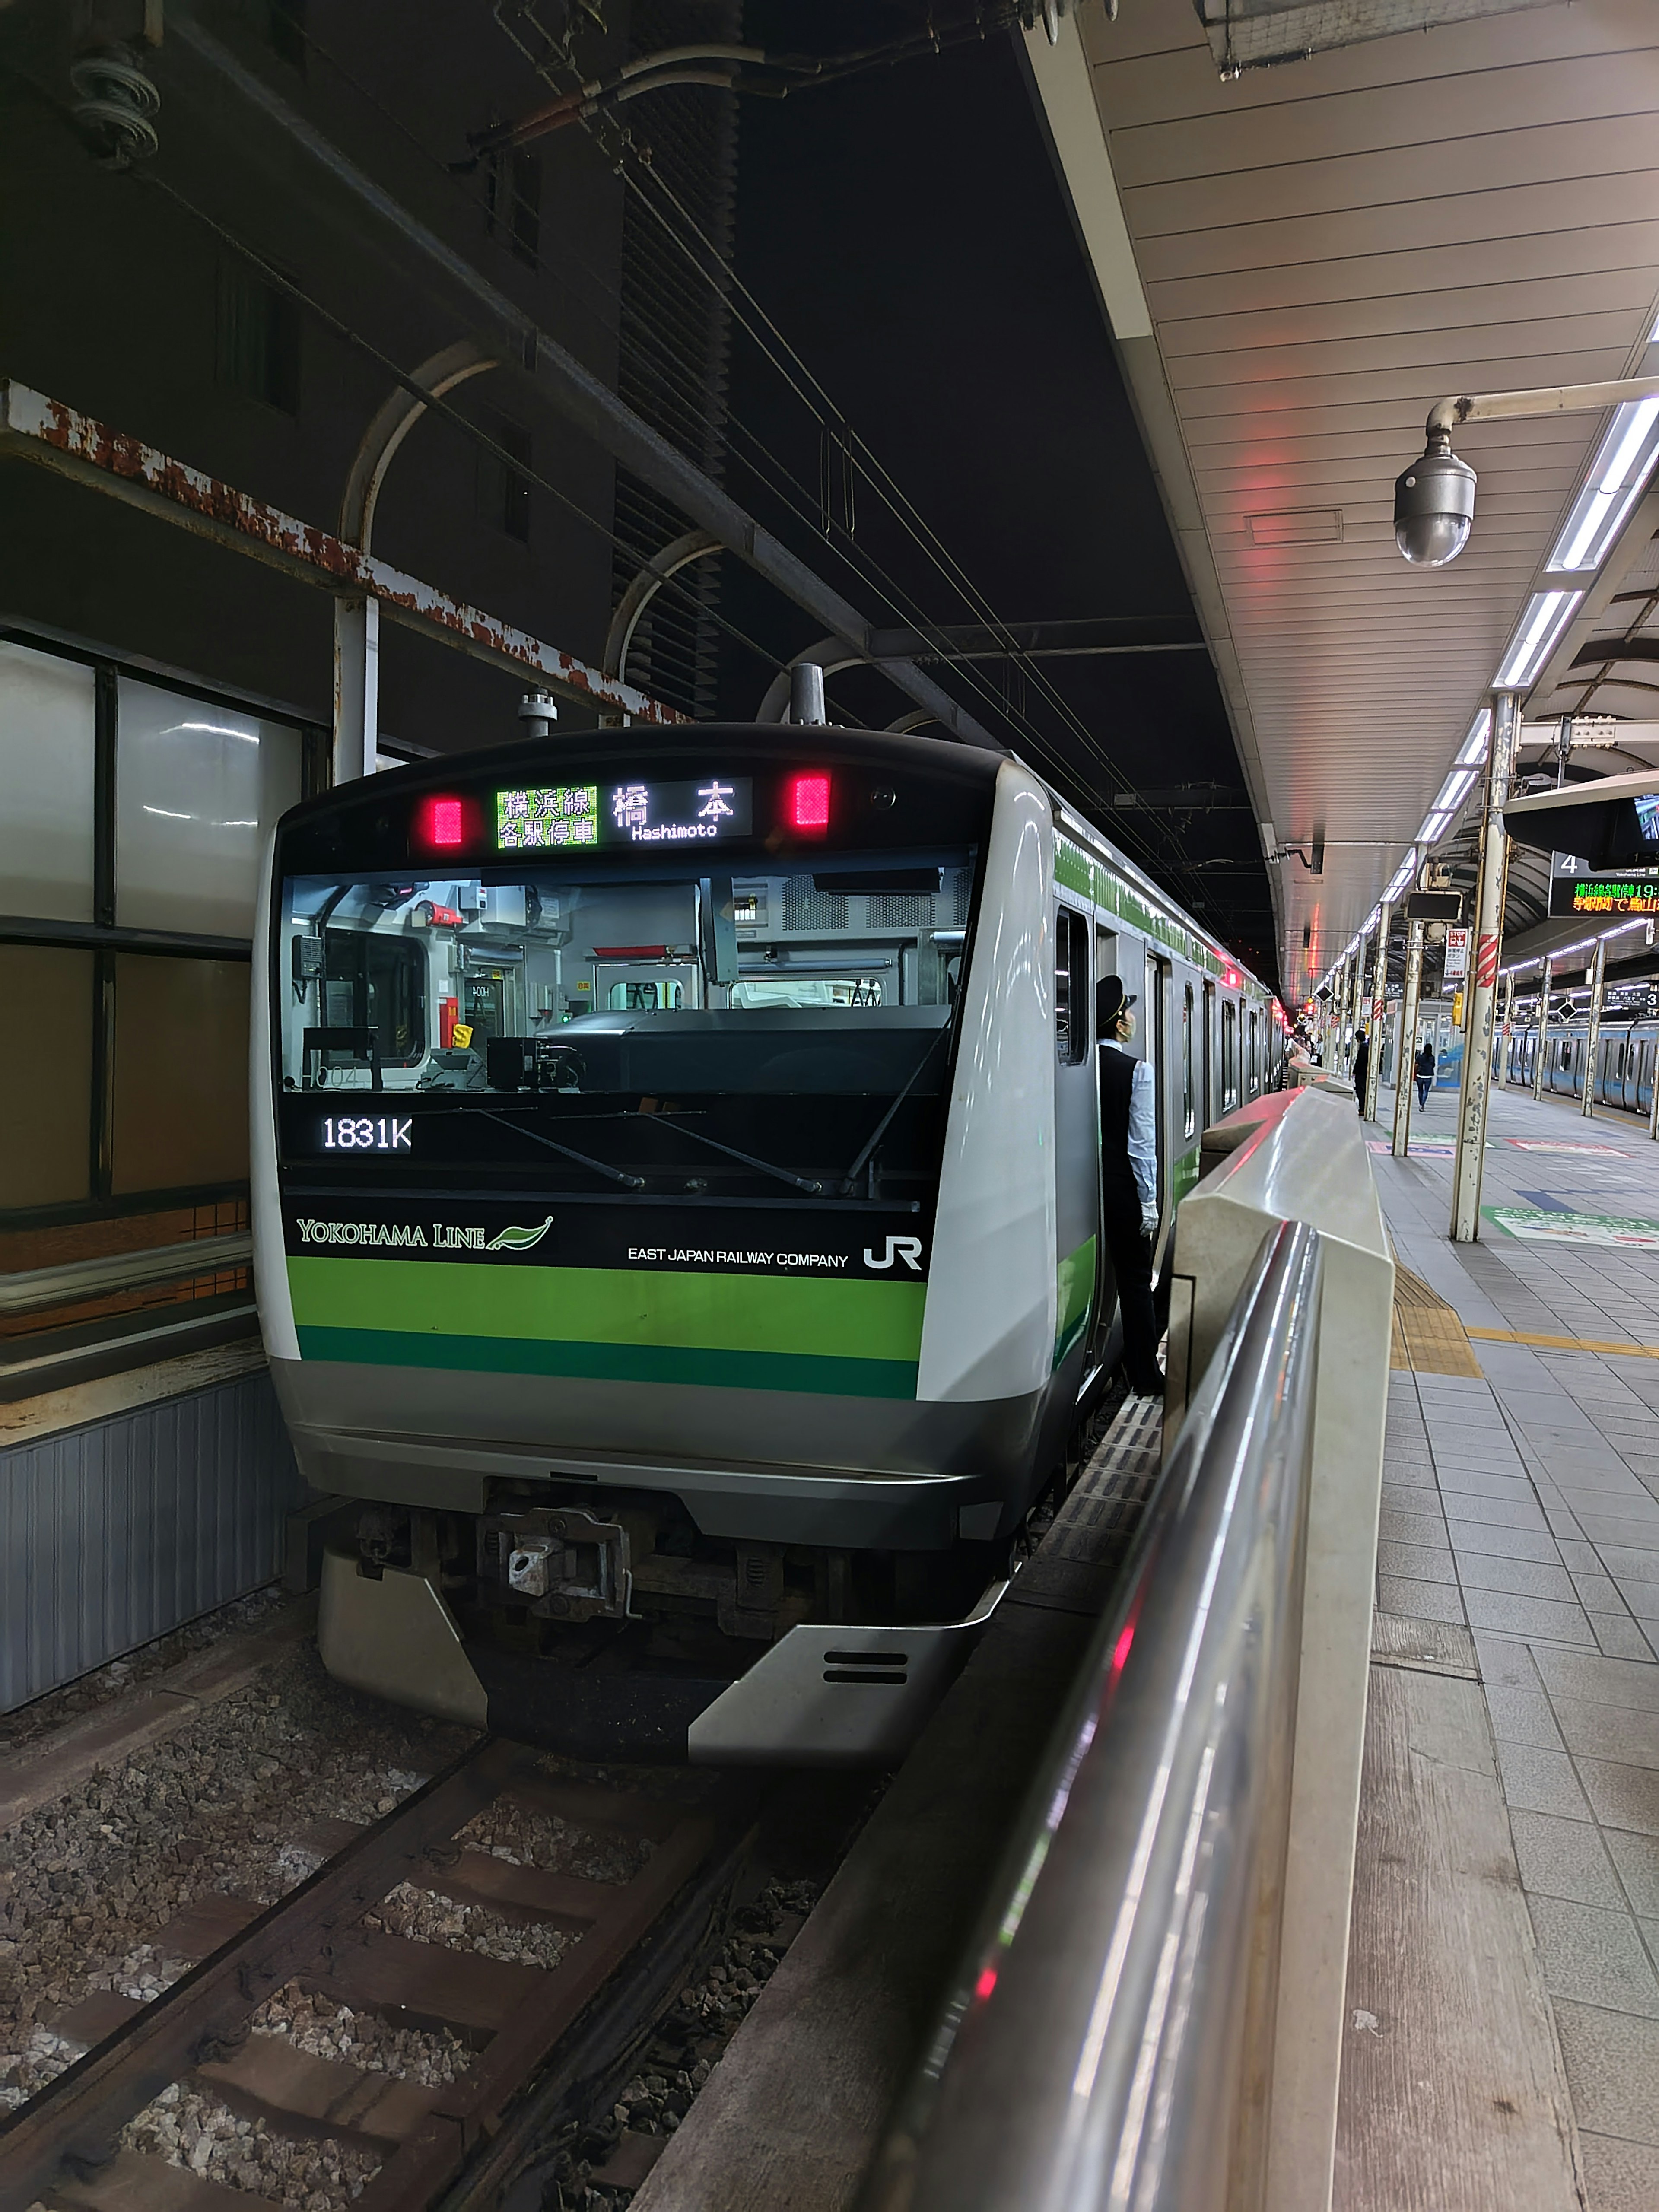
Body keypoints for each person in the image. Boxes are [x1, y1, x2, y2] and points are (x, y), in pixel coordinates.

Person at [1096, 976, 1163, 1398]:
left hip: (1085, 1182)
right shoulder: (1136, 1070)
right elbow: (1141, 1145)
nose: (1134, 1017)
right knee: (1136, 1280)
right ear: (1120, 1025)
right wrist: (1150, 1200)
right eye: (1129, 1011)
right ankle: (1145, 1374)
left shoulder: (1074, 1066)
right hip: (1123, 1189)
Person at [1351, 1027, 1369, 1117]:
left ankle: (1363, 1108)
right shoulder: (1366, 1047)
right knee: (1362, 1090)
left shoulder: (1363, 1048)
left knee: (1360, 1090)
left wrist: (1355, 1071)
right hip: (1365, 1072)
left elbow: (1360, 1061)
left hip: (1361, 1073)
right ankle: (1363, 1108)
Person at [1415, 1038, 1434, 1111]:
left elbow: (1417, 1063)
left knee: (1420, 1091)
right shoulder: (1432, 1058)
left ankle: (1420, 1103)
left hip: (1420, 1075)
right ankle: (1422, 1105)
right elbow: (1433, 1065)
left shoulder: (1421, 1057)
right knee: (1426, 1091)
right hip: (1428, 1076)